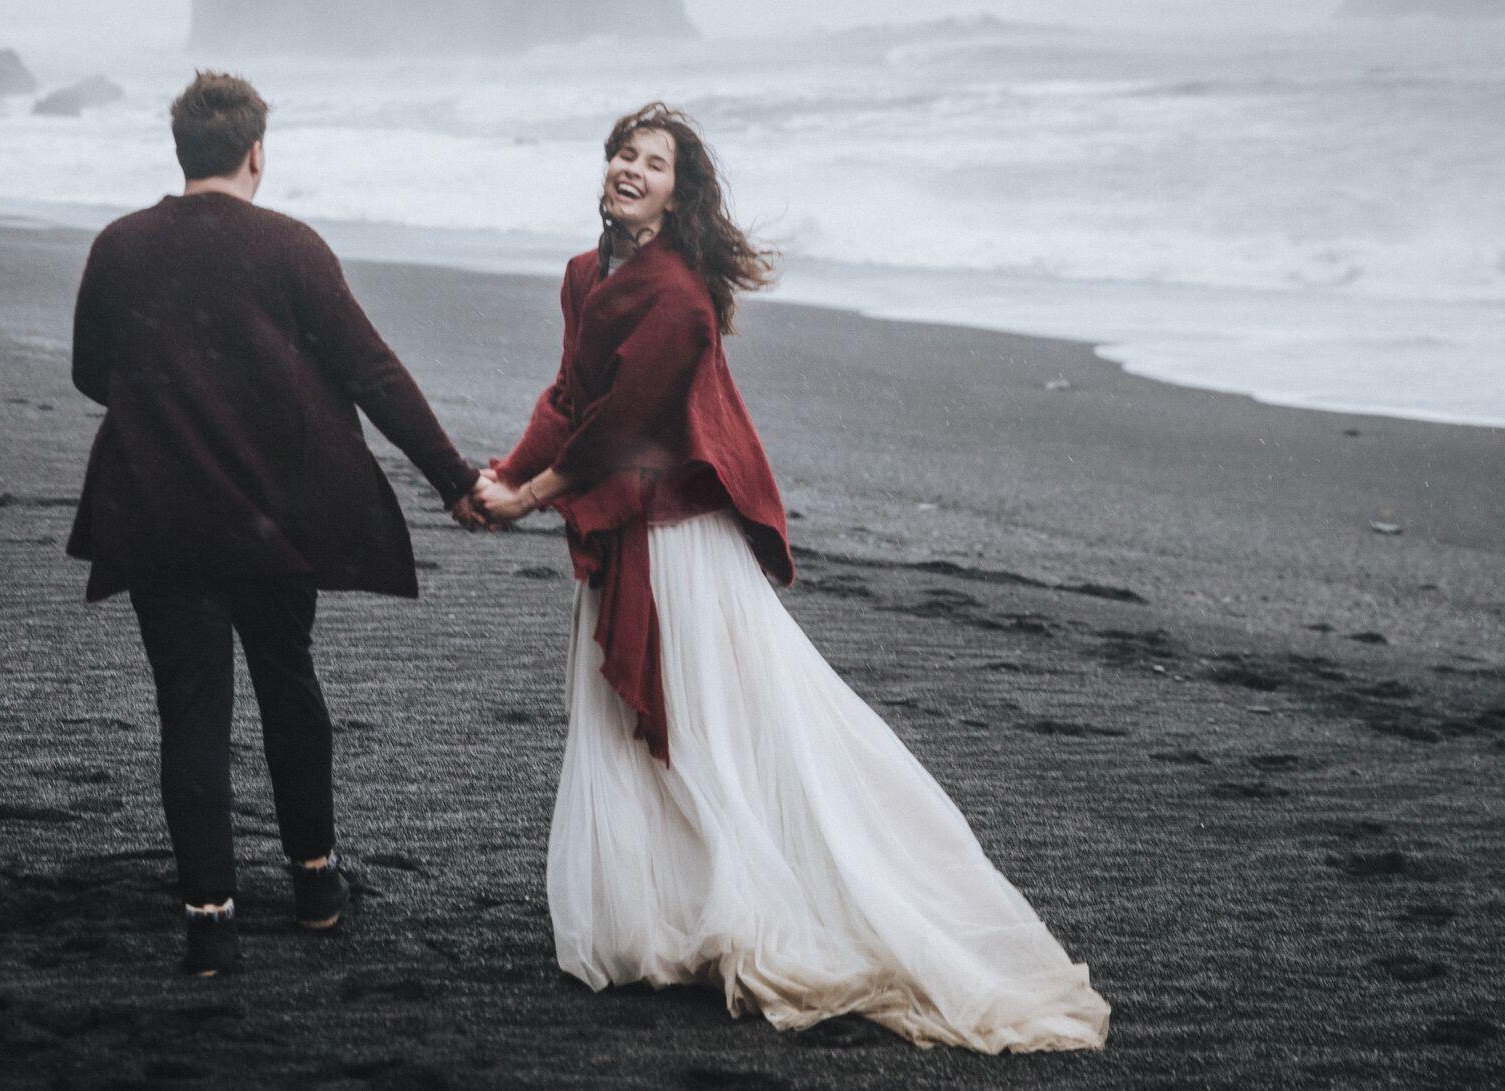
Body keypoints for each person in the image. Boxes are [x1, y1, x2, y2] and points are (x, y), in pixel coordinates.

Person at [466, 102, 1110, 1051]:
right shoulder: (582, 274)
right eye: (624, 156)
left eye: (655, 163)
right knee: (632, 729)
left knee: (718, 726)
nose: (632, 170)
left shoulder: (679, 298)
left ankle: (755, 904)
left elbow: (628, 429)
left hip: (682, 542)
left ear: (679, 195)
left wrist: (527, 497)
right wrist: (505, 474)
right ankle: (659, 919)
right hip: (624, 523)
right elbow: (568, 399)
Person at [68, 70, 484, 977]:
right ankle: (316, 888)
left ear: (181, 152)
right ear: (258, 152)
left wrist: (176, 394)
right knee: (289, 691)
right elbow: (372, 372)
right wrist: (456, 480)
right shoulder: (292, 247)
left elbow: (92, 372)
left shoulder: (119, 246)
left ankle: (210, 921)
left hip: (161, 515)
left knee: (192, 715)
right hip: (269, 520)